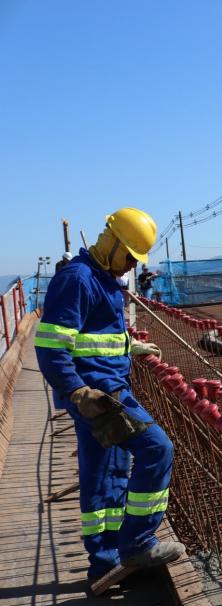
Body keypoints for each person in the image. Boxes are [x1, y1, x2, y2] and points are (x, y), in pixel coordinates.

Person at [34, 207, 184, 583]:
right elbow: (52, 347)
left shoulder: (102, 280)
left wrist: (132, 347)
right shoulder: (77, 280)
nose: (131, 266)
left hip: (105, 388)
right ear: (113, 242)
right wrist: (76, 391)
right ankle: (138, 542)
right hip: (99, 395)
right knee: (157, 449)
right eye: (130, 257)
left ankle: (106, 560)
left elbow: (95, 337)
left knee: (107, 474)